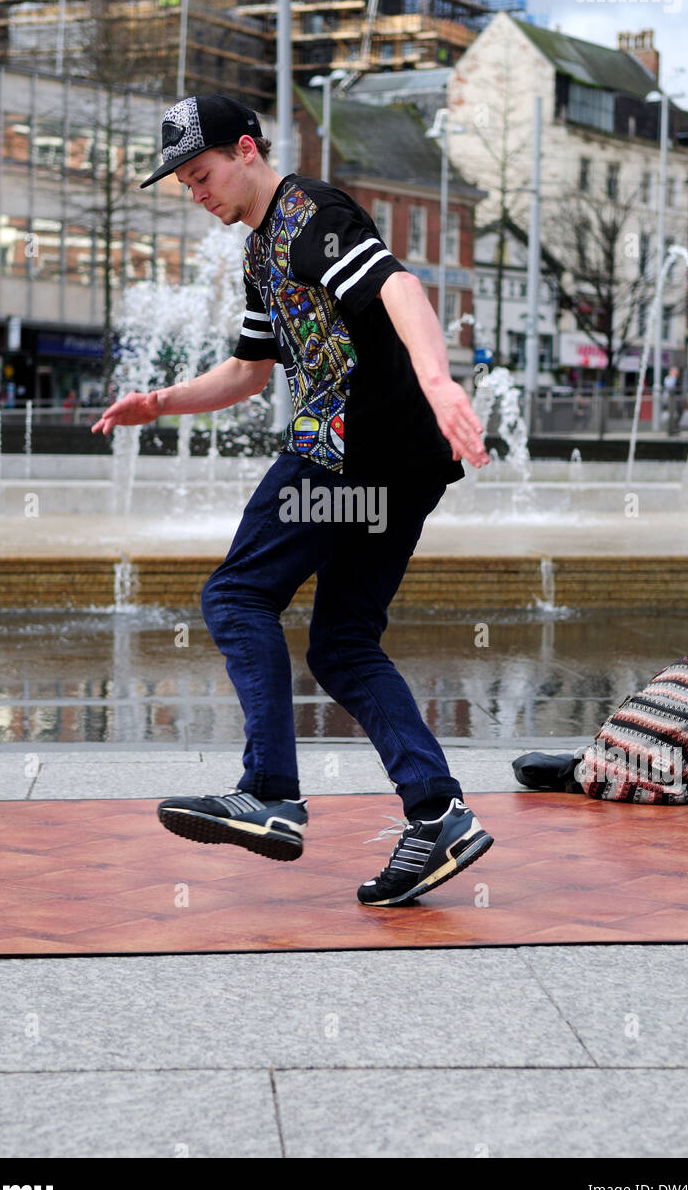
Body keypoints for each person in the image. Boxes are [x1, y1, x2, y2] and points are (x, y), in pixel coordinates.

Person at [92, 93, 495, 907]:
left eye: (201, 174)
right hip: (395, 471)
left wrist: (438, 380)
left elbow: (400, 288)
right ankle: (437, 813)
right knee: (343, 645)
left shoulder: (313, 212)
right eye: (182, 183)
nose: (194, 192)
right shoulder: (257, 253)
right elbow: (247, 373)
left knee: (237, 594)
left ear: (246, 150)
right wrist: (160, 402)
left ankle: (271, 788)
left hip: (348, 449)